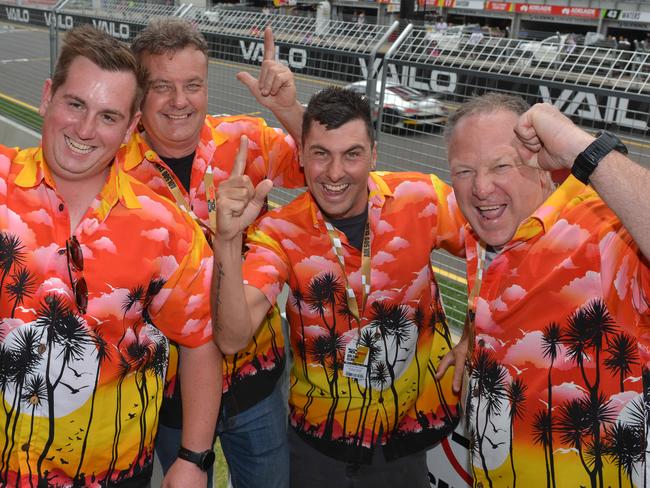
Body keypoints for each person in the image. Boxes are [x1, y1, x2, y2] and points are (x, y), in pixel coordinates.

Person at [212, 86, 468, 487]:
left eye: (352, 154)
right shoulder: (279, 232)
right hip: (318, 445)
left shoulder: (421, 198)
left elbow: (499, 246)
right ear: (301, 156)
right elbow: (232, 336)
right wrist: (226, 242)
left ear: (374, 155)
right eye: (320, 154)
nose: (334, 173)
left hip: (406, 441)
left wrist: (474, 333)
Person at [0, 25, 221, 487]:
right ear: (47, 97)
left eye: (108, 116)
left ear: (129, 128)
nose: (84, 130)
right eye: (75, 104)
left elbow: (199, 342)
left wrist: (193, 459)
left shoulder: (166, 229)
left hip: (118, 476)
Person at [123, 18, 304, 488]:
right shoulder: (113, 170)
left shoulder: (243, 138)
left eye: (192, 85)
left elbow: (324, 165)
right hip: (169, 395)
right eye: (162, 86)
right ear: (139, 94)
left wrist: (288, 110)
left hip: (258, 378)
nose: (179, 101)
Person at [437, 93, 649, 487]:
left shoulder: (606, 233)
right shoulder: (485, 232)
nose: (481, 188)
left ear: (542, 163)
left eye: (501, 165)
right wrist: (473, 335)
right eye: (464, 171)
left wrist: (582, 148)